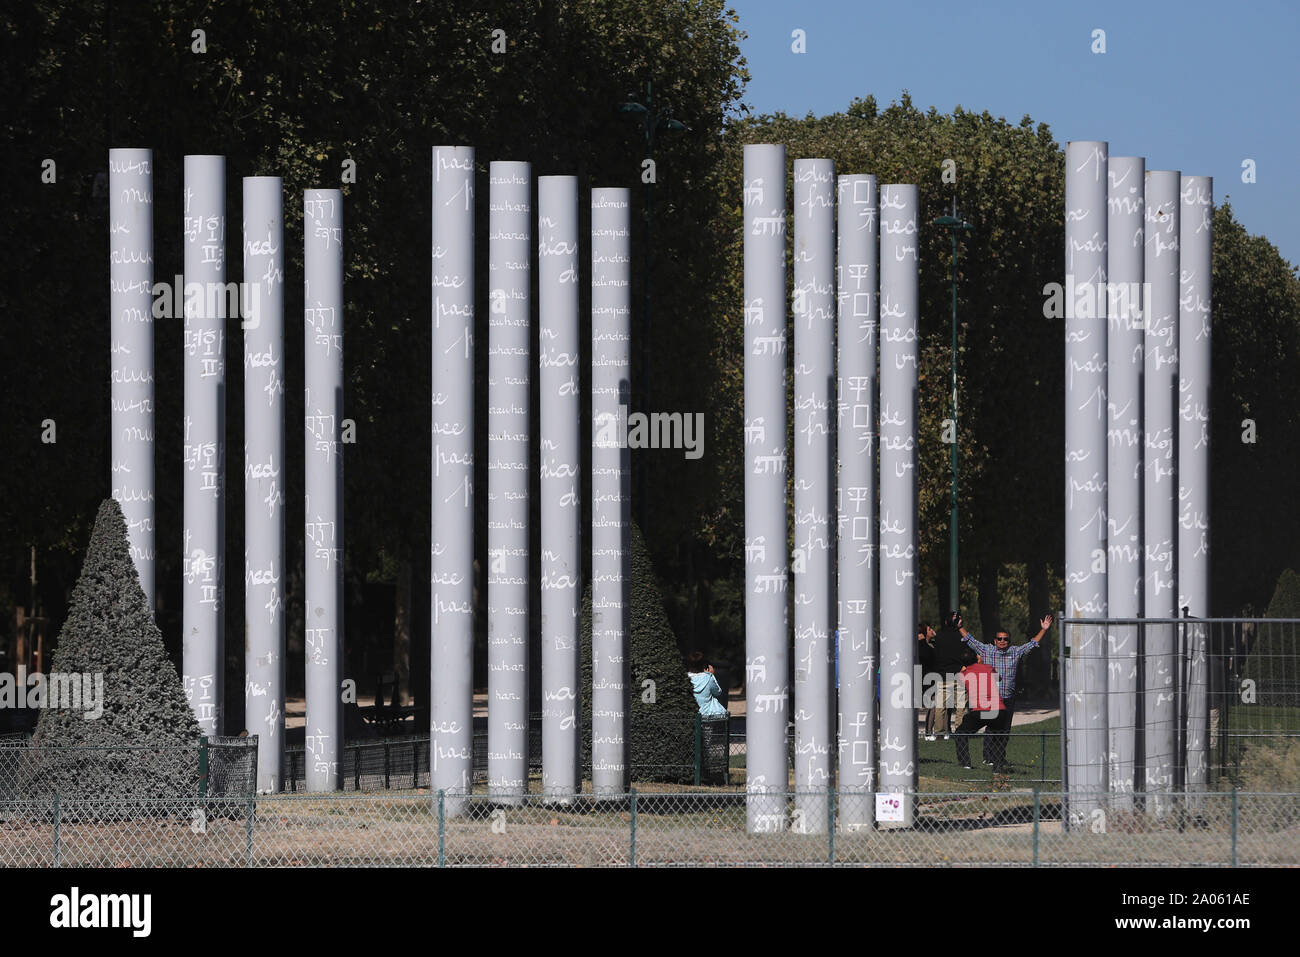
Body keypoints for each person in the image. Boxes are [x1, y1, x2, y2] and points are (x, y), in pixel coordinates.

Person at [958, 614, 1053, 771]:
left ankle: (998, 759)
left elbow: (1032, 643)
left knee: (1004, 731)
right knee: (989, 729)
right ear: (995, 641)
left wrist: (1043, 630)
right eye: (1000, 639)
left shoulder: (1015, 652)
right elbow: (970, 639)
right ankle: (988, 757)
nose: (1002, 641)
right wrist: (959, 626)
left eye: (1005, 639)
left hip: (1008, 698)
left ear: (1009, 641)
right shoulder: (986, 650)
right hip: (990, 699)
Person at [954, 654, 1003, 769]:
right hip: (999, 708)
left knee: (960, 733)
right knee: (996, 734)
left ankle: (965, 763)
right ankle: (996, 764)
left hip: (980, 710)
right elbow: (999, 678)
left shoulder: (962, 675)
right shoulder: (988, 667)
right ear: (977, 659)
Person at [930, 612, 970, 737]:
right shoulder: (961, 637)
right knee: (961, 706)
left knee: (940, 706)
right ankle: (960, 731)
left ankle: (939, 732)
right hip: (959, 672)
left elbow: (936, 655)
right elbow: (968, 654)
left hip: (942, 674)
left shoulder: (940, 636)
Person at [686, 651, 727, 718]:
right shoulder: (708, 677)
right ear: (703, 664)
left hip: (691, 715)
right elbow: (718, 692)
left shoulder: (684, 678)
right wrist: (711, 675)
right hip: (709, 714)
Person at [917, 623, 937, 739]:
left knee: (932, 706)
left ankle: (929, 732)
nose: (932, 631)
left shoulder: (932, 644)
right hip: (924, 679)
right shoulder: (922, 646)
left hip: (930, 678)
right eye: (930, 629)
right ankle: (928, 732)